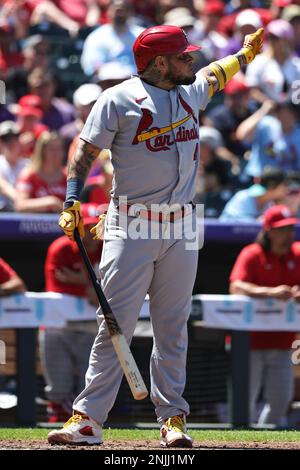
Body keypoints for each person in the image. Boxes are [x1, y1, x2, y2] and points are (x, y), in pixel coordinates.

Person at [48, 23, 264, 447]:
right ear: (159, 62)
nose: (192, 59)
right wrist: (72, 199)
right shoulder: (117, 99)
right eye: (184, 56)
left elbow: (217, 73)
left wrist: (245, 55)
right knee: (116, 325)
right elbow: (85, 152)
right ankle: (87, 419)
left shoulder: (190, 90)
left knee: (172, 327)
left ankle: (173, 420)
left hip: (183, 224)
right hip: (132, 223)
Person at [229, 204, 300, 427]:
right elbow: (236, 287)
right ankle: (241, 443)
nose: (288, 235)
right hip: (248, 343)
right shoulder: (252, 253)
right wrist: (270, 292)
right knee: (245, 400)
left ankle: (263, 439)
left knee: (281, 401)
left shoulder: (297, 253)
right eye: (281, 230)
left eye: (290, 229)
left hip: (282, 341)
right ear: (268, 230)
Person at [40, 203, 102, 423]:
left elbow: (111, 293)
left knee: (91, 386)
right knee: (58, 389)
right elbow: (59, 289)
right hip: (59, 326)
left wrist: (83, 282)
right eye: (88, 226)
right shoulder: (61, 248)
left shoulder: (111, 249)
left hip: (94, 326)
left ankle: (87, 427)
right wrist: (92, 286)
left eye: (97, 226)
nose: (93, 232)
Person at [15, 131, 66, 213]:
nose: (57, 153)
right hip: (35, 224)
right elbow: (20, 205)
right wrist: (50, 202)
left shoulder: (67, 176)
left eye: (59, 149)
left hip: (63, 223)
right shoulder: (29, 175)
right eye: (52, 149)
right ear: (42, 151)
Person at [220, 167, 288, 221]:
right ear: (271, 186)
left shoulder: (270, 203)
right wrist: (260, 221)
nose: (286, 189)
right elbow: (236, 226)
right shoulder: (243, 197)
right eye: (283, 185)